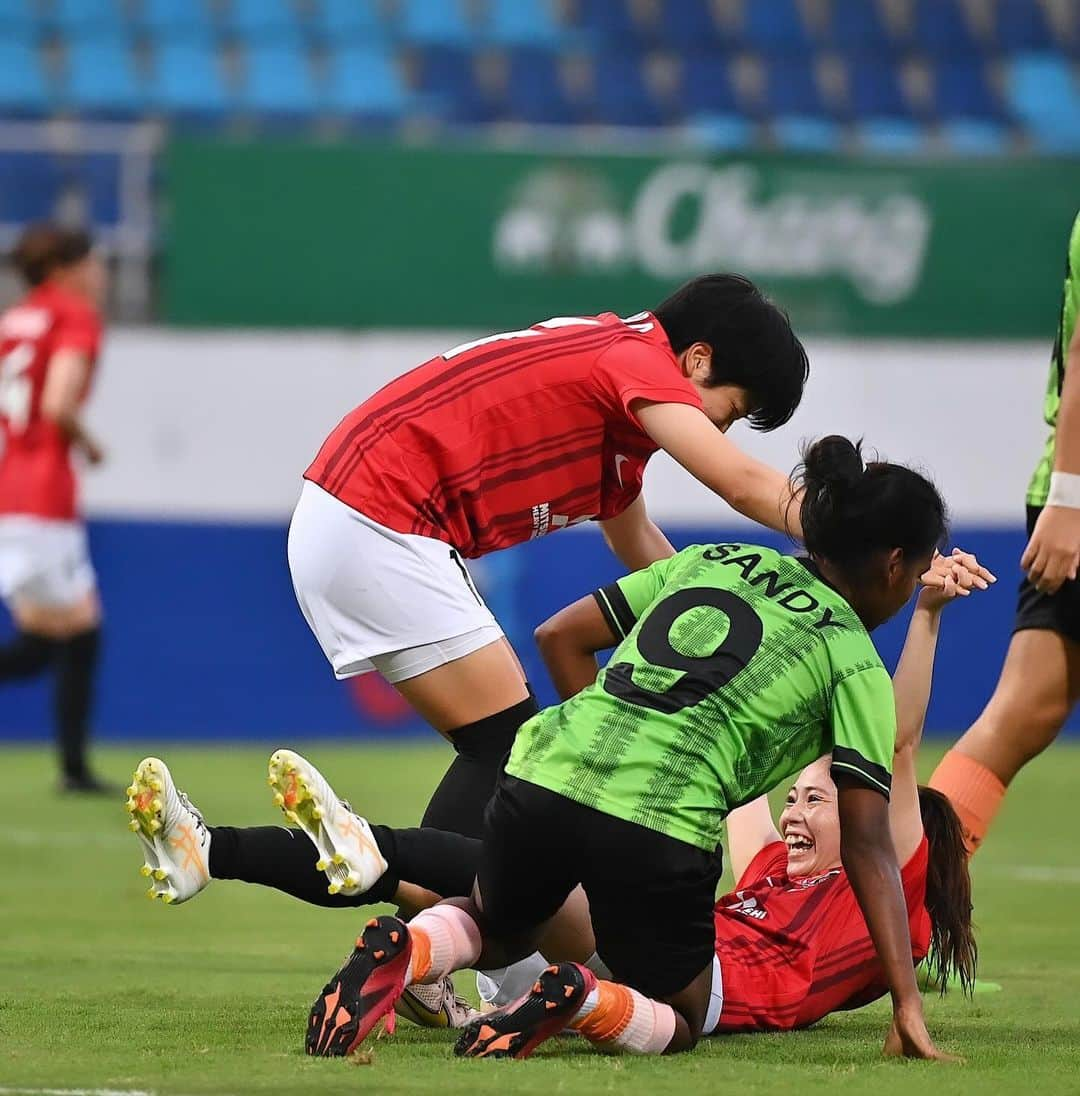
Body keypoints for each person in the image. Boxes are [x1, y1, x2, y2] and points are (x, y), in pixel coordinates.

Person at [302, 436, 987, 1062]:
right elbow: (870, 839)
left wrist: (598, 754)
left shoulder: (711, 560)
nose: (798, 808)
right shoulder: (853, 658)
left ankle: (412, 943)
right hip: (660, 820)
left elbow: (558, 636)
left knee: (500, 921)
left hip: (547, 768)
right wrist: (906, 1003)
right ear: (897, 566)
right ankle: (583, 997)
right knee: (682, 1015)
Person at [121, 540, 983, 1037]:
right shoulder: (767, 874)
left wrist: (929, 615)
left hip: (687, 973)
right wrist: (634, 522)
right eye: (796, 798)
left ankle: (424, 941)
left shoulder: (890, 896)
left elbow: (899, 745)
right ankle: (225, 854)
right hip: (648, 937)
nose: (795, 812)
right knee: (453, 884)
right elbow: (720, 682)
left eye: (814, 801)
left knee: (464, 886)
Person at [289, 274, 809, 846]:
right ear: (697, 359)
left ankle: (413, 914)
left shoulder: (616, 403)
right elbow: (739, 482)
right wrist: (854, 528)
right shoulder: (636, 358)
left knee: (507, 749)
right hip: (380, 517)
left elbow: (638, 546)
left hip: (359, 515)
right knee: (509, 750)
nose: (717, 428)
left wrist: (719, 622)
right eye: (729, 411)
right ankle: (404, 900)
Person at [930, 210, 1080, 855]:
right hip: (1073, 488)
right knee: (1023, 708)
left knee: (1029, 708)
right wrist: (1070, 498)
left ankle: (900, 910)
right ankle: (896, 909)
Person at [0, 224, 109, 792]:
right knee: (77, 635)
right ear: (68, 268)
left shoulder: (15, 318)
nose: (102, 275)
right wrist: (89, 445)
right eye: (95, 262)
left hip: (9, 488)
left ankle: (73, 769)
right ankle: (74, 771)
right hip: (44, 496)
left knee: (47, 642)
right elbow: (57, 402)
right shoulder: (73, 315)